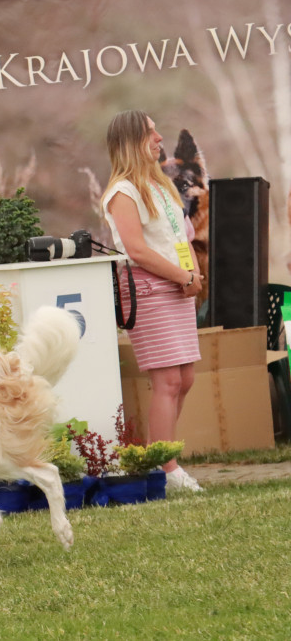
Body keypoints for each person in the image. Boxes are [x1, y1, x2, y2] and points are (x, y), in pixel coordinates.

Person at [101, 110, 204, 492]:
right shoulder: (122, 192)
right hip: (149, 289)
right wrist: (182, 276)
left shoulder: (161, 186)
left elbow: (185, 237)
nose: (159, 138)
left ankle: (156, 460)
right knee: (167, 380)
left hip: (177, 288)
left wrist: (193, 276)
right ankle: (167, 470)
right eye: (150, 133)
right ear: (130, 142)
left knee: (185, 378)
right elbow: (137, 250)